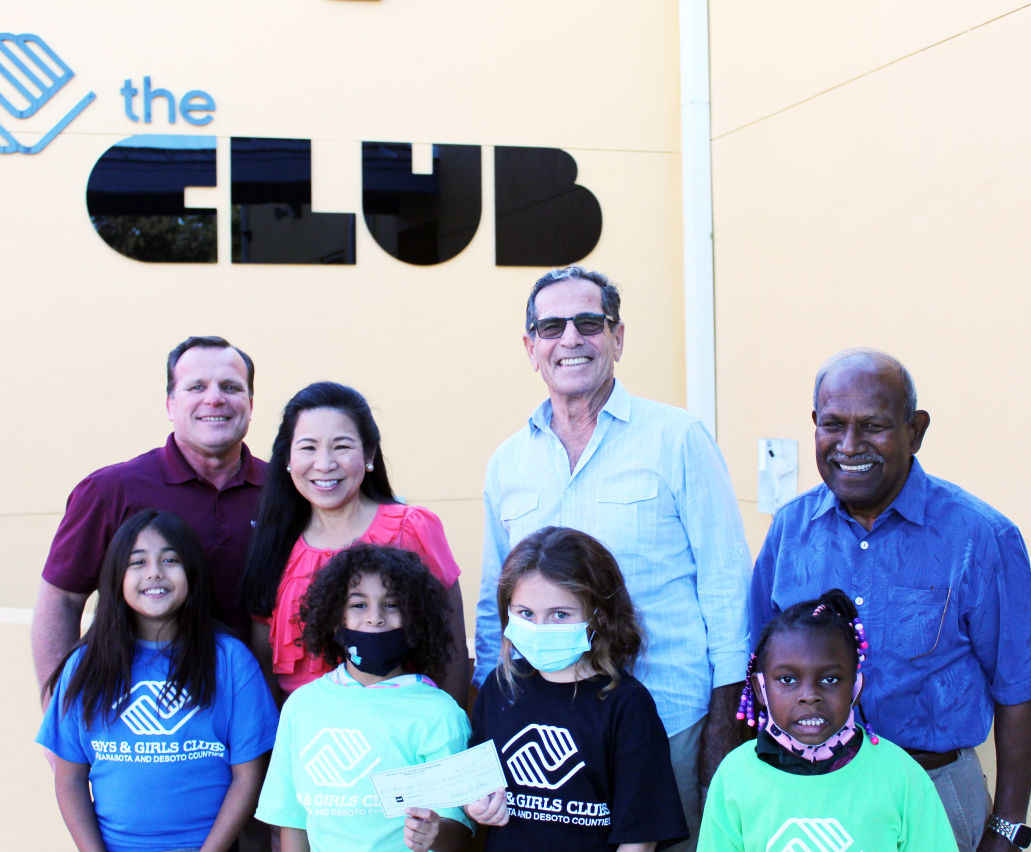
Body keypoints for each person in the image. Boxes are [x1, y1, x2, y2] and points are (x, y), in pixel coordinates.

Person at [474, 266, 751, 849]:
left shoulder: (678, 439)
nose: (570, 338)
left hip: (674, 725)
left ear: (617, 338)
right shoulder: (508, 463)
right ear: (531, 348)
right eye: (551, 326)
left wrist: (721, 742)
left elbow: (728, 595)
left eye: (588, 323)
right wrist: (484, 742)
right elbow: (490, 610)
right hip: (543, 741)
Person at [750, 348, 1031, 852]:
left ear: (915, 431)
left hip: (935, 793)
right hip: (809, 798)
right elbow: (757, 672)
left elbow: (1018, 688)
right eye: (832, 424)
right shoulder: (790, 530)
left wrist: (1006, 831)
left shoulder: (979, 536)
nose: (849, 445)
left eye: (872, 426)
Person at [32, 335, 265, 691]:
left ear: (249, 403)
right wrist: (56, 709)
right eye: (196, 386)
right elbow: (61, 598)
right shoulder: (111, 490)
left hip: (262, 716)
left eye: (230, 387)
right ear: (171, 404)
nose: (214, 397)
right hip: (134, 722)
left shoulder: (284, 491)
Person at [37, 510, 278, 852]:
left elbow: (248, 776)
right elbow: (70, 780)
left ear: (192, 573)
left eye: (170, 560)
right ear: (116, 577)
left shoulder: (230, 660)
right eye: (137, 562)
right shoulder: (84, 665)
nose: (154, 573)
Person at [243, 381, 469, 706]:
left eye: (341, 446)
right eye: (308, 447)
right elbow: (264, 661)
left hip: (405, 737)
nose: (324, 464)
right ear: (288, 458)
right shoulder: (274, 543)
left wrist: (452, 737)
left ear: (369, 453)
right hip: (310, 743)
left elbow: (452, 647)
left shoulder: (413, 528)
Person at [467, 526, 688, 852]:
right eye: (525, 613)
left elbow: (639, 836)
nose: (540, 628)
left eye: (560, 614)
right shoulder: (500, 688)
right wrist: (476, 806)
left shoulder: (627, 705)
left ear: (598, 615)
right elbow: (473, 787)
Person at [700, 589, 956, 851]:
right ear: (761, 688)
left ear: (856, 688)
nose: (810, 696)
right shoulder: (735, 776)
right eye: (788, 679)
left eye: (830, 679)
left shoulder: (900, 775)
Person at [256, 544, 472, 852]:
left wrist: (435, 831)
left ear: (415, 619)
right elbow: (292, 822)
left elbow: (458, 833)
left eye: (392, 604)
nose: (375, 618)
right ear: (334, 618)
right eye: (359, 605)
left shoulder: (441, 713)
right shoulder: (301, 707)